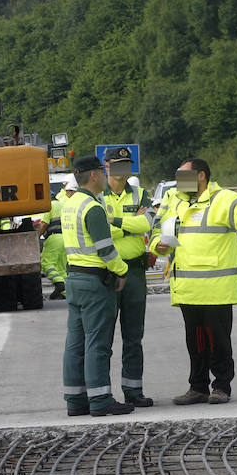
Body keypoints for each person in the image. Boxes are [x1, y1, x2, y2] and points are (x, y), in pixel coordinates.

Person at [150, 158, 237, 405]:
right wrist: (156, 245)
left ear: (201, 176)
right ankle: (198, 387)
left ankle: (221, 386)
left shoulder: (221, 199)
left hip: (216, 289)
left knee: (219, 341)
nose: (178, 181)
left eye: (183, 176)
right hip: (188, 289)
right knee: (195, 342)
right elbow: (159, 231)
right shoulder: (177, 201)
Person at [61, 156, 133, 417]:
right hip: (94, 282)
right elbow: (105, 249)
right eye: (102, 172)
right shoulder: (93, 207)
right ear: (93, 175)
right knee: (98, 342)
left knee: (75, 342)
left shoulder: (70, 205)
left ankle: (75, 399)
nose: (105, 176)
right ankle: (101, 399)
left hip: (74, 279)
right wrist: (123, 271)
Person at [102, 147, 155, 408]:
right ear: (106, 165)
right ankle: (102, 394)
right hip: (107, 273)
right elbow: (98, 232)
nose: (123, 169)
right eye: (118, 164)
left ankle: (134, 391)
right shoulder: (96, 195)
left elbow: (147, 225)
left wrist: (115, 222)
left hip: (134, 272)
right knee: (103, 338)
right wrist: (128, 224)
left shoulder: (140, 193)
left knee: (134, 337)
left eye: (127, 164)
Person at [38, 174, 77, 299]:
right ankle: (65, 293)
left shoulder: (48, 206)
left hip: (54, 238)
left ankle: (59, 284)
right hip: (66, 238)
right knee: (61, 267)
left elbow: (44, 224)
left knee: (46, 263)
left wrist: (35, 237)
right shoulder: (62, 204)